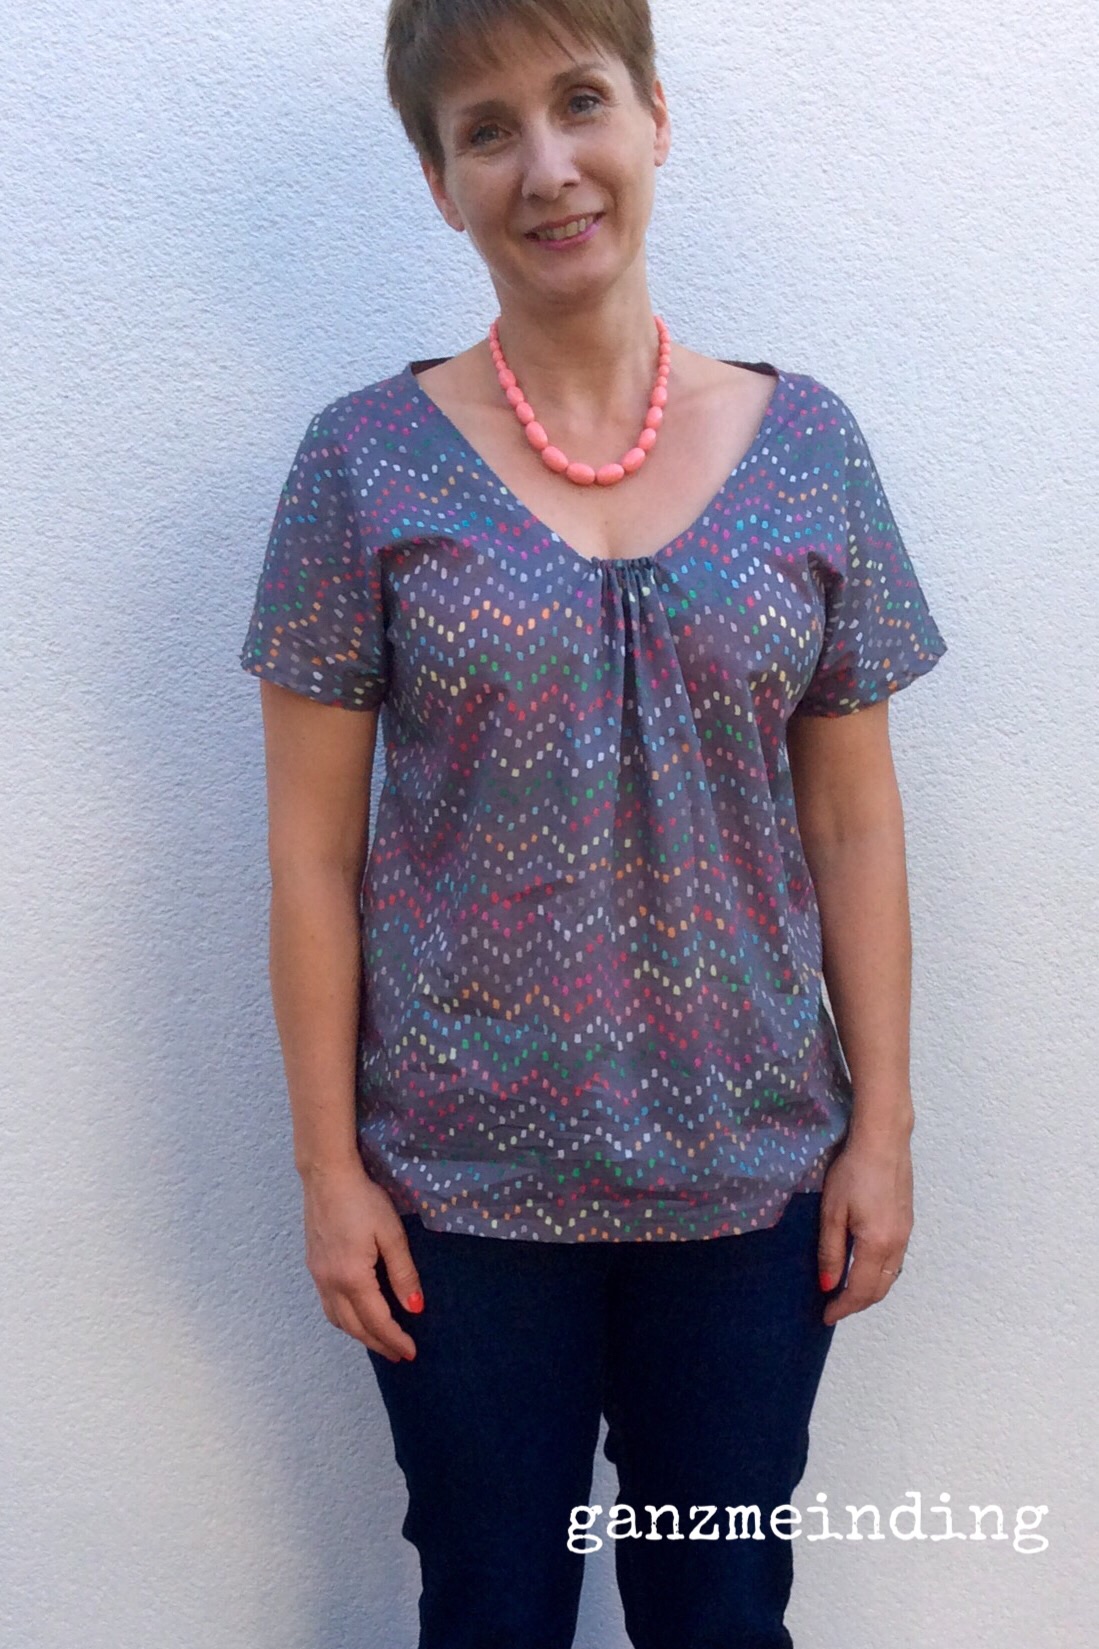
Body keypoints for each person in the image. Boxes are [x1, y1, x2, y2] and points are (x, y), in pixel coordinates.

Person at [239, 2, 948, 1644]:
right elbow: (310, 859)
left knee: (722, 1609)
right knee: (492, 1609)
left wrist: (886, 1129)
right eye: (487, 131)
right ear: (440, 183)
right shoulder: (362, 466)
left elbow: (855, 821)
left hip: (754, 1186)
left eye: (580, 102)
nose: (547, 167)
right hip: (459, 1198)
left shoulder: (809, 447)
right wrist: (329, 1170)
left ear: (655, 118)